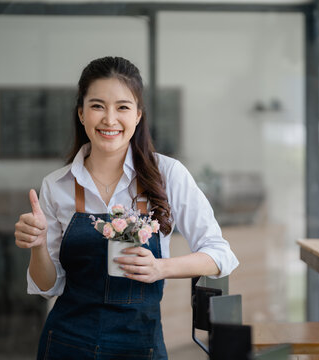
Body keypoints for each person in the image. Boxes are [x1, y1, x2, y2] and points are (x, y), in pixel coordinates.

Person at [14, 56, 239, 360]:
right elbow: (47, 286)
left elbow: (219, 255)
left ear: (138, 115)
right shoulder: (57, 185)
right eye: (97, 106)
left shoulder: (167, 175)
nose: (109, 119)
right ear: (81, 114)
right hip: (67, 343)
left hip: (140, 346)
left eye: (122, 107)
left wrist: (160, 268)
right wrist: (38, 246)